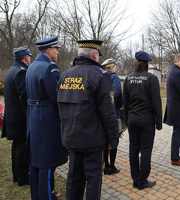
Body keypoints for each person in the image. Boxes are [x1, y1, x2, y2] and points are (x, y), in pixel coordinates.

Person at [57, 40, 119, 200]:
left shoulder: (65, 75)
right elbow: (108, 113)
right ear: (94, 55)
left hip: (70, 136)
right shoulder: (101, 76)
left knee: (74, 177)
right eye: (98, 56)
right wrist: (113, 138)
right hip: (92, 140)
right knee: (93, 178)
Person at [26, 36, 67, 200]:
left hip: (33, 117)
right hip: (47, 119)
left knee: (35, 161)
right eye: (56, 48)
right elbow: (57, 98)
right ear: (48, 49)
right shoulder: (50, 68)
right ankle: (46, 196)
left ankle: (36, 195)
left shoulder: (31, 66)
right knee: (46, 163)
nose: (57, 52)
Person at [123, 51, 162, 190]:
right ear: (147, 64)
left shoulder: (128, 78)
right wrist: (159, 122)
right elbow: (156, 102)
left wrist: (126, 120)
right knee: (145, 149)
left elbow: (125, 102)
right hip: (146, 120)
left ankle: (135, 179)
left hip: (132, 120)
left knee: (133, 149)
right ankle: (143, 180)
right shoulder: (151, 79)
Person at [2, 47, 32, 186]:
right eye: (29, 56)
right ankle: (22, 177)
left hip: (13, 117)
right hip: (20, 118)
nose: (30, 59)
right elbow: (24, 97)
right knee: (22, 149)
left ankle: (17, 175)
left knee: (16, 148)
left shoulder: (11, 71)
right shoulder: (21, 72)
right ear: (24, 58)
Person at [101, 58, 122, 175]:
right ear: (111, 67)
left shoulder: (102, 77)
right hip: (114, 114)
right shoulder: (114, 77)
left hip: (103, 115)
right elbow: (117, 92)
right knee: (114, 141)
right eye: (115, 66)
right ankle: (111, 166)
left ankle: (106, 165)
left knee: (105, 141)